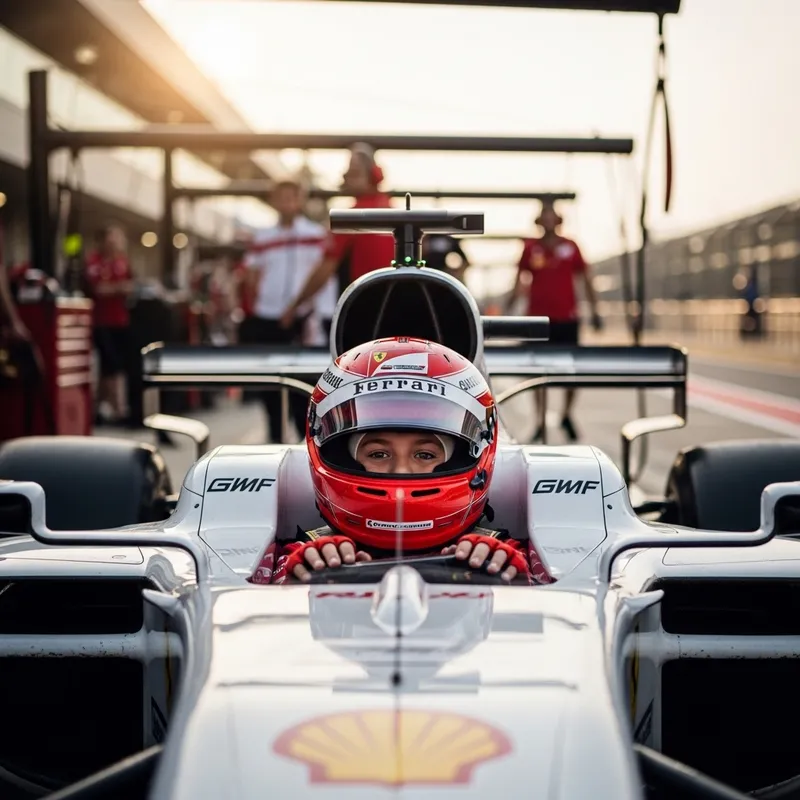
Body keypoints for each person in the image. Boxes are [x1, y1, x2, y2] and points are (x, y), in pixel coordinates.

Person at [248, 337, 553, 586]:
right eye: (378, 454)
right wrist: (295, 574)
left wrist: (515, 574)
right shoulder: (295, 558)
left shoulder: (509, 558)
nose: (401, 471)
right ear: (337, 453)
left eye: (425, 455)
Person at [239, 178, 330, 442]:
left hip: (302, 318)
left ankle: (305, 442)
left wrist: (302, 306)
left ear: (300, 199)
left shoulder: (315, 234)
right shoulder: (263, 236)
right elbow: (251, 271)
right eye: (282, 197)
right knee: (269, 382)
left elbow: (322, 272)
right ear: (274, 200)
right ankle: (275, 438)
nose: (287, 202)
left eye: (292, 197)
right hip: (267, 316)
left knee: (301, 385)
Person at [510, 201, 601, 443]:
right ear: (539, 221)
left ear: (559, 220)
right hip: (537, 319)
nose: (549, 221)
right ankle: (539, 420)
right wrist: (510, 308)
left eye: (553, 216)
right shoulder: (530, 248)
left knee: (572, 370)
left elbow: (586, 279)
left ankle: (567, 413)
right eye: (545, 216)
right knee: (536, 371)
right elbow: (519, 281)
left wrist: (595, 311)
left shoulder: (571, 247)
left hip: (566, 318)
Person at [279, 143, 395, 329]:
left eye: (353, 171)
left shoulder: (351, 218)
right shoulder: (393, 212)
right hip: (391, 309)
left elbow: (325, 270)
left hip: (360, 310)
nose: (345, 176)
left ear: (373, 175)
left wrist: (294, 306)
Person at [84, 223, 134, 424]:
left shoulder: (123, 261)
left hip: (120, 321)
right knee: (111, 366)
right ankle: (119, 410)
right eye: (112, 237)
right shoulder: (94, 262)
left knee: (112, 367)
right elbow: (99, 289)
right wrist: (118, 288)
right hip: (101, 322)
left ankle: (101, 407)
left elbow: (130, 285)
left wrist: (118, 288)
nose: (116, 242)